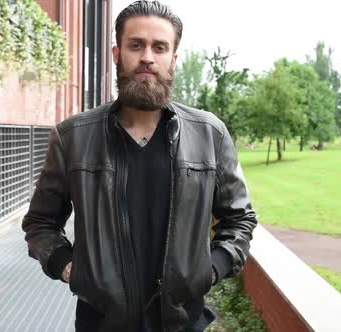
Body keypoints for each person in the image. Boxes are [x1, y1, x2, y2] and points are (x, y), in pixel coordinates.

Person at [22, 1, 257, 331]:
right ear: (117, 54)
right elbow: (40, 222)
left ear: (173, 59)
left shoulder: (209, 134)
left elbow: (239, 218)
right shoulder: (72, 138)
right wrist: (67, 266)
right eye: (136, 45)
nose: (147, 56)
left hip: (182, 323)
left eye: (159, 47)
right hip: (100, 323)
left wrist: (213, 268)